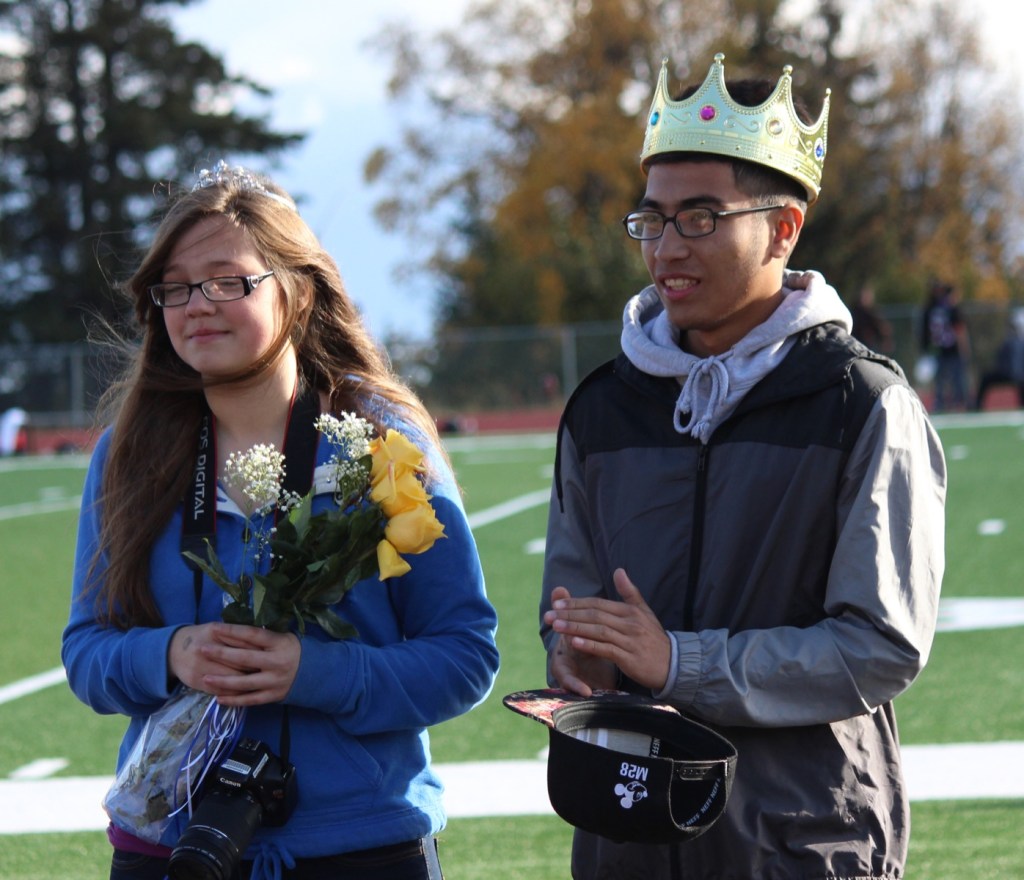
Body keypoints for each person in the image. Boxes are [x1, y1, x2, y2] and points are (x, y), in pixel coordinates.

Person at [539, 53, 946, 879]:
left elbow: (878, 647)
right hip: (627, 834)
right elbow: (574, 605)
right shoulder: (601, 410)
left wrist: (681, 664)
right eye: (653, 220)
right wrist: (576, 653)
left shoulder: (863, 403)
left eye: (700, 218)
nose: (666, 248)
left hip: (798, 838)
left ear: (783, 228)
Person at [62, 161, 500, 880]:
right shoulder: (127, 455)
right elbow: (87, 652)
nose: (197, 304)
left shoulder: (384, 443)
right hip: (173, 846)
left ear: (296, 292)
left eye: (228, 280)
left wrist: (317, 672)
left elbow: (464, 656)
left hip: (360, 847)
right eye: (174, 287)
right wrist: (170, 655)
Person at [920, 280, 970, 411]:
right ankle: (959, 403)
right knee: (956, 378)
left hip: (938, 349)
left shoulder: (932, 309)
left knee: (941, 380)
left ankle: (941, 402)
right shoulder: (952, 309)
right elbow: (959, 331)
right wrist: (964, 348)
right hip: (951, 349)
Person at [973, 307, 1024, 410]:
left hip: (1012, 375)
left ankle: (977, 405)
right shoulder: (1010, 341)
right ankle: (977, 405)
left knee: (986, 378)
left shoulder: (1012, 342)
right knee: (986, 378)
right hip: (1013, 375)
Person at [849, 282, 893, 353]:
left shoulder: (872, 312)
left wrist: (885, 340)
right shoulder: (854, 312)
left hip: (868, 346)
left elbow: (881, 328)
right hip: (854, 345)